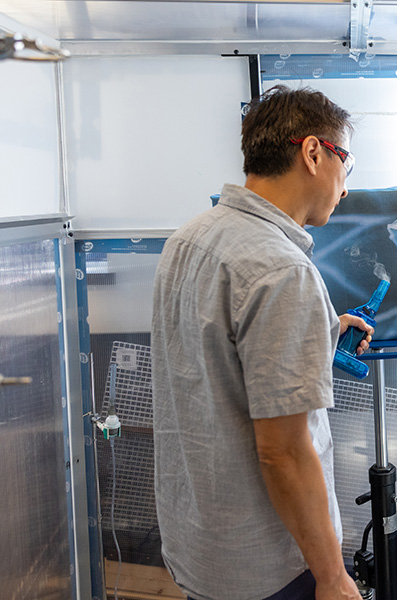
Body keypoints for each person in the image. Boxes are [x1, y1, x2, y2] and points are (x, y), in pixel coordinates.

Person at [151, 85, 371, 600]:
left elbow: (214, 361)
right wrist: (332, 576)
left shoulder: (189, 238)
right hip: (267, 568)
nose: (345, 188)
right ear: (313, 152)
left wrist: (321, 330)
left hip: (201, 547)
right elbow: (285, 454)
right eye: (348, 163)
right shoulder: (282, 270)